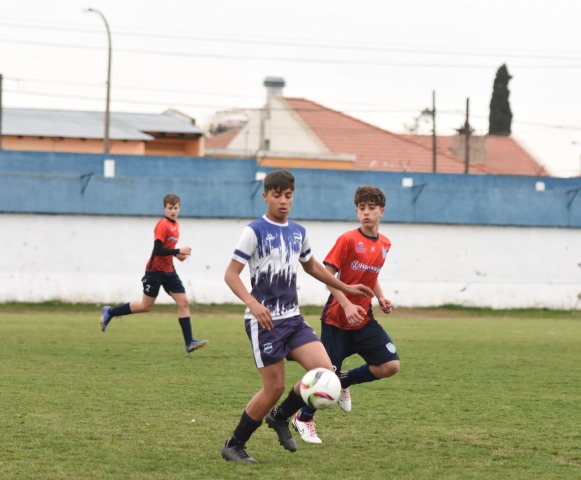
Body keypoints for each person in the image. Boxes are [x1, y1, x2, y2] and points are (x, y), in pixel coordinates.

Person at [220, 169, 374, 464]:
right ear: (265, 196)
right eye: (276, 195)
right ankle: (234, 444)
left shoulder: (298, 232)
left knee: (326, 372)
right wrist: (253, 304)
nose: (283, 201)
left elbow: (313, 266)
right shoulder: (254, 231)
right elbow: (231, 274)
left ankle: (280, 417)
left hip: (292, 319)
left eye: (288, 196)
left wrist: (346, 286)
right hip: (264, 322)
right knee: (274, 387)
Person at [291, 185, 400, 444]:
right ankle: (303, 419)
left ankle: (344, 381)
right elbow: (328, 277)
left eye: (371, 208)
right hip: (337, 319)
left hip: (364, 318)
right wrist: (347, 305)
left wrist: (381, 296)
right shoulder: (347, 240)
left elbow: (371, 277)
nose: (366, 213)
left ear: (381, 211)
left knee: (390, 365)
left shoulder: (385, 244)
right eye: (361, 208)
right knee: (324, 376)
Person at [100, 194, 208, 354]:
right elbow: (158, 249)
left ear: (179, 208)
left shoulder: (176, 225)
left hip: (169, 270)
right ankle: (110, 312)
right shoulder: (162, 225)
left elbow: (166, 248)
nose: (173, 211)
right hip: (154, 271)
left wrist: (177, 255)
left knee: (184, 302)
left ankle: (189, 342)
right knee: (145, 306)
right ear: (164, 208)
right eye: (170, 208)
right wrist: (178, 250)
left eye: (176, 208)